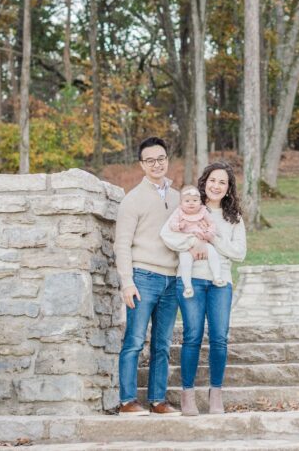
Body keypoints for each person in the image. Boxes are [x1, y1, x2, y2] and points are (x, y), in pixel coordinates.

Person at [161, 161, 247, 416]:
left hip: (221, 283)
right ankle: (188, 395)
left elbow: (240, 253)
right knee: (192, 336)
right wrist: (192, 242)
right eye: (212, 180)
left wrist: (213, 240)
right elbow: (167, 235)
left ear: (229, 187)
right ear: (204, 183)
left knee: (219, 337)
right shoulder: (188, 208)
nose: (216, 186)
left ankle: (215, 394)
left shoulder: (234, 218)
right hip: (192, 280)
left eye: (223, 182)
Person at [114, 137, 191, 416]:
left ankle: (158, 400)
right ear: (142, 164)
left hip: (172, 280)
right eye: (150, 160)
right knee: (135, 340)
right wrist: (127, 282)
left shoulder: (178, 197)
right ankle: (127, 402)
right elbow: (121, 244)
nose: (156, 164)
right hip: (143, 277)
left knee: (162, 343)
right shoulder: (132, 199)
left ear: (167, 160)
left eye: (161, 159)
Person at [166, 185, 226, 298]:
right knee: (185, 262)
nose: (191, 203)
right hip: (187, 246)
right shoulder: (179, 212)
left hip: (203, 241)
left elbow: (212, 224)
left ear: (200, 202)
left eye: (195, 200)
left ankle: (217, 277)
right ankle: (188, 286)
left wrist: (209, 233)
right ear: (181, 203)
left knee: (213, 253)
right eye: (187, 201)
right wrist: (179, 226)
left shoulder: (203, 212)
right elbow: (172, 224)